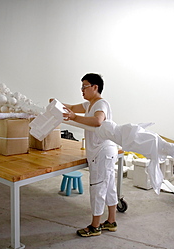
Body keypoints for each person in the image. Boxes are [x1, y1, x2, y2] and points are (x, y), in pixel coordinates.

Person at [56, 73, 118, 237]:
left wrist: (75, 117)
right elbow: (72, 108)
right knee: (109, 186)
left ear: (95, 87)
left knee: (98, 188)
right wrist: (55, 104)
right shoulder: (89, 104)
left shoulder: (100, 104)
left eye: (85, 86)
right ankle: (111, 221)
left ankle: (95, 226)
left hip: (102, 152)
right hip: (105, 152)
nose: (82, 90)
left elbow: (98, 121)